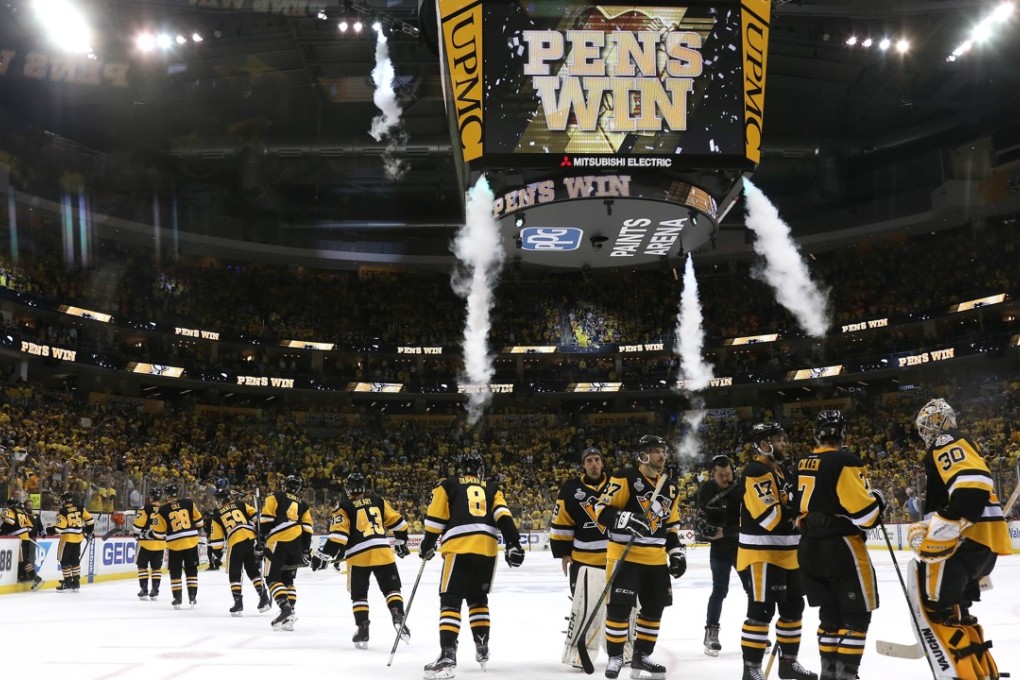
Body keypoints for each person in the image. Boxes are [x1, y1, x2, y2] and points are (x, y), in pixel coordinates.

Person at [908, 399, 1011, 680]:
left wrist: (945, 525)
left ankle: (957, 674)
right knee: (958, 610)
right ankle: (979, 671)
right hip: (982, 546)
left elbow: (971, 487)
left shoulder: (945, 440)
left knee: (936, 610)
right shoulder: (967, 443)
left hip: (961, 544)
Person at [418, 454, 525, 680]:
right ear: (480, 471)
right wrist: (513, 543)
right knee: (478, 600)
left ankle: (447, 656)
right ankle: (482, 646)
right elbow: (503, 516)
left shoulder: (448, 484)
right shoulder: (492, 487)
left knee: (450, 600)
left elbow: (435, 519)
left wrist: (427, 544)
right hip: (487, 550)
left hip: (459, 547)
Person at [796, 410, 883, 680]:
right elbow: (866, 516)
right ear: (841, 433)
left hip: (809, 547)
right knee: (856, 616)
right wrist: (878, 499)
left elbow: (796, 510)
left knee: (830, 616)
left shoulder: (802, 463)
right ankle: (846, 675)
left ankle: (829, 674)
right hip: (841, 547)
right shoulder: (845, 460)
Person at [593, 434, 686, 680]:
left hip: (656, 560)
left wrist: (676, 552)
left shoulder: (671, 486)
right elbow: (601, 510)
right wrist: (625, 519)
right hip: (625, 555)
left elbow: (672, 526)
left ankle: (642, 655)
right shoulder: (625, 478)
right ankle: (615, 656)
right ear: (643, 455)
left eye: (663, 451)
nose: (662, 455)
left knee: (654, 610)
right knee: (620, 609)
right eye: (656, 451)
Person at [738, 423, 816, 680]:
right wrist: (801, 517)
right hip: (762, 555)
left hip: (789, 555)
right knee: (761, 612)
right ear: (764, 444)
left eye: (784, 438)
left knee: (794, 608)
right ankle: (751, 669)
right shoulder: (755, 470)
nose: (785, 443)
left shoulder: (780, 471)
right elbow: (770, 517)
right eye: (779, 439)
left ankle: (788, 663)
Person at [551, 446, 632, 668]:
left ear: (602, 462)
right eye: (589, 461)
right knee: (585, 607)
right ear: (583, 465)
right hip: (584, 559)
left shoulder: (617, 483)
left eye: (597, 459)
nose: (594, 464)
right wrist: (563, 552)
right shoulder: (570, 489)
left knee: (622, 605)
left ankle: (623, 648)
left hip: (616, 557)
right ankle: (581, 651)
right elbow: (562, 521)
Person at [310, 472, 411, 648]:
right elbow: (400, 524)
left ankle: (363, 629)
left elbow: (339, 536)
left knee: (359, 595)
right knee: (391, 589)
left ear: (348, 489)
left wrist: (322, 556)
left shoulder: (343, 506)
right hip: (383, 551)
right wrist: (401, 543)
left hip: (358, 556)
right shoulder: (378, 501)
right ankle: (397, 614)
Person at [696, 453, 741, 657]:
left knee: (753, 590)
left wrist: (726, 531)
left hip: (742, 546)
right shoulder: (706, 489)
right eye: (721, 475)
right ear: (713, 475)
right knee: (719, 590)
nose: (726, 478)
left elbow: (751, 521)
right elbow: (701, 516)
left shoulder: (742, 488)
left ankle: (756, 631)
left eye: (728, 473)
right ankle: (711, 633)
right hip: (720, 548)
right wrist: (704, 528)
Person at [258, 474, 313, 631]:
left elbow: (267, 519)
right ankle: (291, 612)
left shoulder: (276, 496)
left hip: (278, 540)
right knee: (288, 579)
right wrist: (305, 550)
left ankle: (285, 609)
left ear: (285, 485)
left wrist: (261, 539)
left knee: (272, 578)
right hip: (297, 543)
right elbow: (308, 529)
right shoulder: (303, 504)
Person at [208, 485, 271, 616]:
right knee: (252, 570)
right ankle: (263, 597)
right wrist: (260, 534)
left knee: (234, 573)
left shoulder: (217, 515)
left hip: (235, 541)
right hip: (250, 539)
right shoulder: (240, 504)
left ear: (220, 500)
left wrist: (216, 553)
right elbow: (256, 518)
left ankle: (238, 602)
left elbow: (217, 540)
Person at [151, 482, 204, 609]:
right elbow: (200, 522)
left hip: (175, 544)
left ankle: (177, 598)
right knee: (192, 570)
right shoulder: (189, 503)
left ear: (167, 495)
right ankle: (192, 597)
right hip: (191, 542)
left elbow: (158, 533)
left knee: (175, 572)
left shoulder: (162, 510)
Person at [46, 490, 95, 592]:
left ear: (63, 500)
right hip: (78, 539)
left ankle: (68, 581)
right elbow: (90, 520)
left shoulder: (63, 512)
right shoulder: (80, 508)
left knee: (64, 560)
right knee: (75, 560)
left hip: (67, 539)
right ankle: (76, 581)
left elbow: (59, 529)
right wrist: (89, 532)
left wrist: (49, 530)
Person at [132, 486, 166, 600]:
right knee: (156, 568)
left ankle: (144, 589)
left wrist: (136, 533)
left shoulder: (145, 508)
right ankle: (155, 590)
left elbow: (137, 526)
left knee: (142, 566)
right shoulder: (165, 508)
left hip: (146, 543)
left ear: (151, 497)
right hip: (161, 544)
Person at [1, 498, 41, 587]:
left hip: (20, 539)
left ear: (9, 505)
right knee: (22, 559)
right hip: (25, 537)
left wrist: (6, 527)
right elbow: (30, 527)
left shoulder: (10, 510)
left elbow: (10, 521)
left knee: (24, 560)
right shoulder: (22, 512)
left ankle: (36, 577)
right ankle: (32, 576)